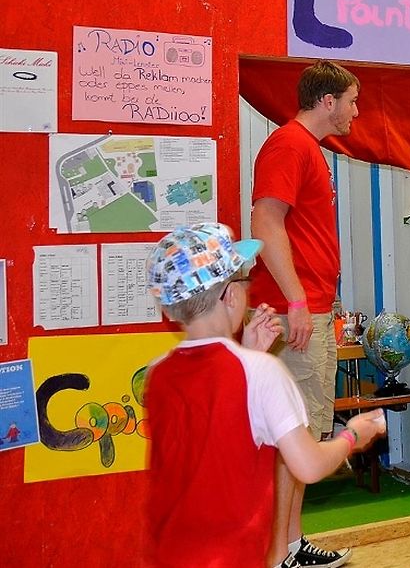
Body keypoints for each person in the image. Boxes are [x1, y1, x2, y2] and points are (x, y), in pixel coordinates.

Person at [143, 223, 384, 568]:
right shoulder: (260, 372)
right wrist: (353, 435)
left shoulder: (158, 374)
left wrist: (247, 352)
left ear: (169, 309)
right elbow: (309, 465)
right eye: (245, 280)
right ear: (231, 296)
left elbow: (211, 433)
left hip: (167, 556)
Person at [249, 59, 360, 568]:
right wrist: (295, 300)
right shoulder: (289, 144)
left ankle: (292, 544)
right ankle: (279, 554)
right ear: (327, 101)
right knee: (294, 436)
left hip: (313, 307)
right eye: (352, 102)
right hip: (296, 311)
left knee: (305, 433)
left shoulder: (308, 149)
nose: (356, 112)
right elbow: (265, 222)